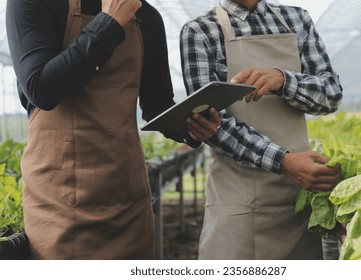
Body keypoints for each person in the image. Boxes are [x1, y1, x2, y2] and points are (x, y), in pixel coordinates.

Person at [6, 0, 219, 259]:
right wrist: (109, 23)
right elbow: (41, 89)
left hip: (128, 200)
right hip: (58, 203)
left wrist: (191, 128)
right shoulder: (34, 3)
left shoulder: (146, 17)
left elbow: (157, 104)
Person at [180, 0, 343, 259]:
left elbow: (331, 94)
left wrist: (284, 80)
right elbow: (213, 125)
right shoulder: (201, 31)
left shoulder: (296, 19)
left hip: (299, 199)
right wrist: (284, 161)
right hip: (239, 200)